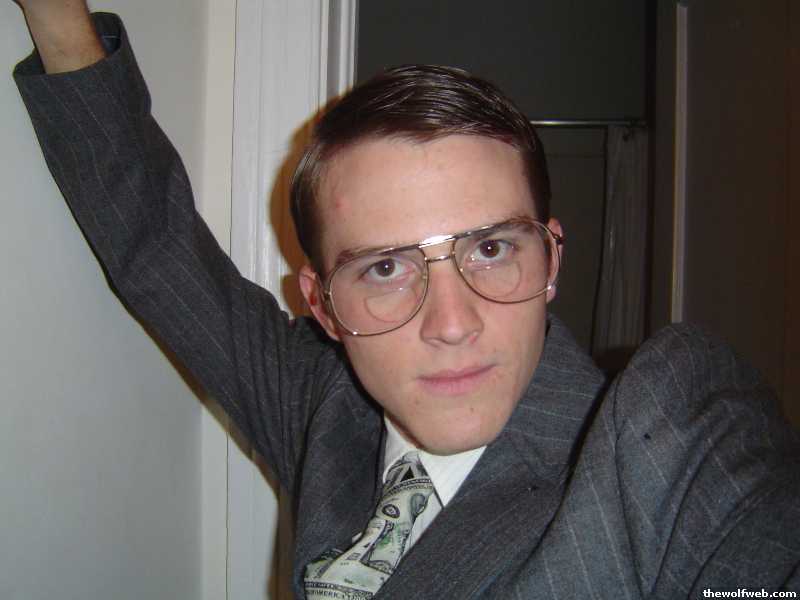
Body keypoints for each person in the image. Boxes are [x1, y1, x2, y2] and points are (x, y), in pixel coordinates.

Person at [11, 2, 800, 598]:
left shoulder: (661, 445)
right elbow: (156, 246)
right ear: (323, 306)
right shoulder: (323, 408)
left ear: (551, 255)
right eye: (386, 267)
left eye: (491, 249)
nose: (452, 325)